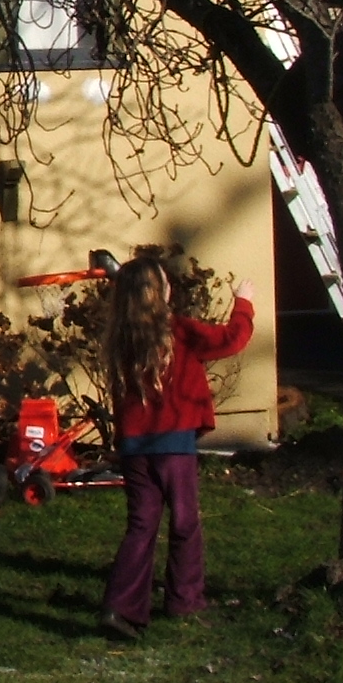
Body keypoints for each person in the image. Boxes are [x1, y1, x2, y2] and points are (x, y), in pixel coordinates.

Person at [97, 256, 255, 640]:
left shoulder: (121, 339)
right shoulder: (178, 331)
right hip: (174, 445)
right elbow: (231, 340)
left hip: (136, 447)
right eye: (165, 284)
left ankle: (121, 606)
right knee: (185, 521)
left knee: (141, 526)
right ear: (158, 292)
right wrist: (244, 304)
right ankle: (185, 598)